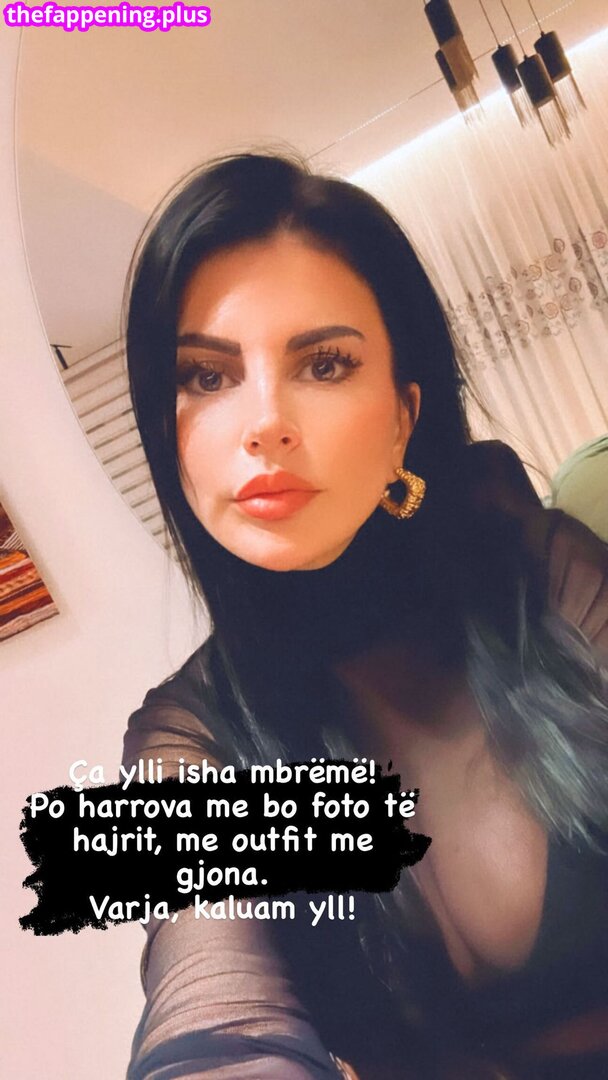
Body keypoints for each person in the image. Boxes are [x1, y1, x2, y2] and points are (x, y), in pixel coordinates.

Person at [122, 152, 608, 1079]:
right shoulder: (191, 740)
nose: (264, 422)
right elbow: (212, 1008)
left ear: (401, 420)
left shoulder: (545, 579)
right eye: (206, 378)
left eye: (324, 363)